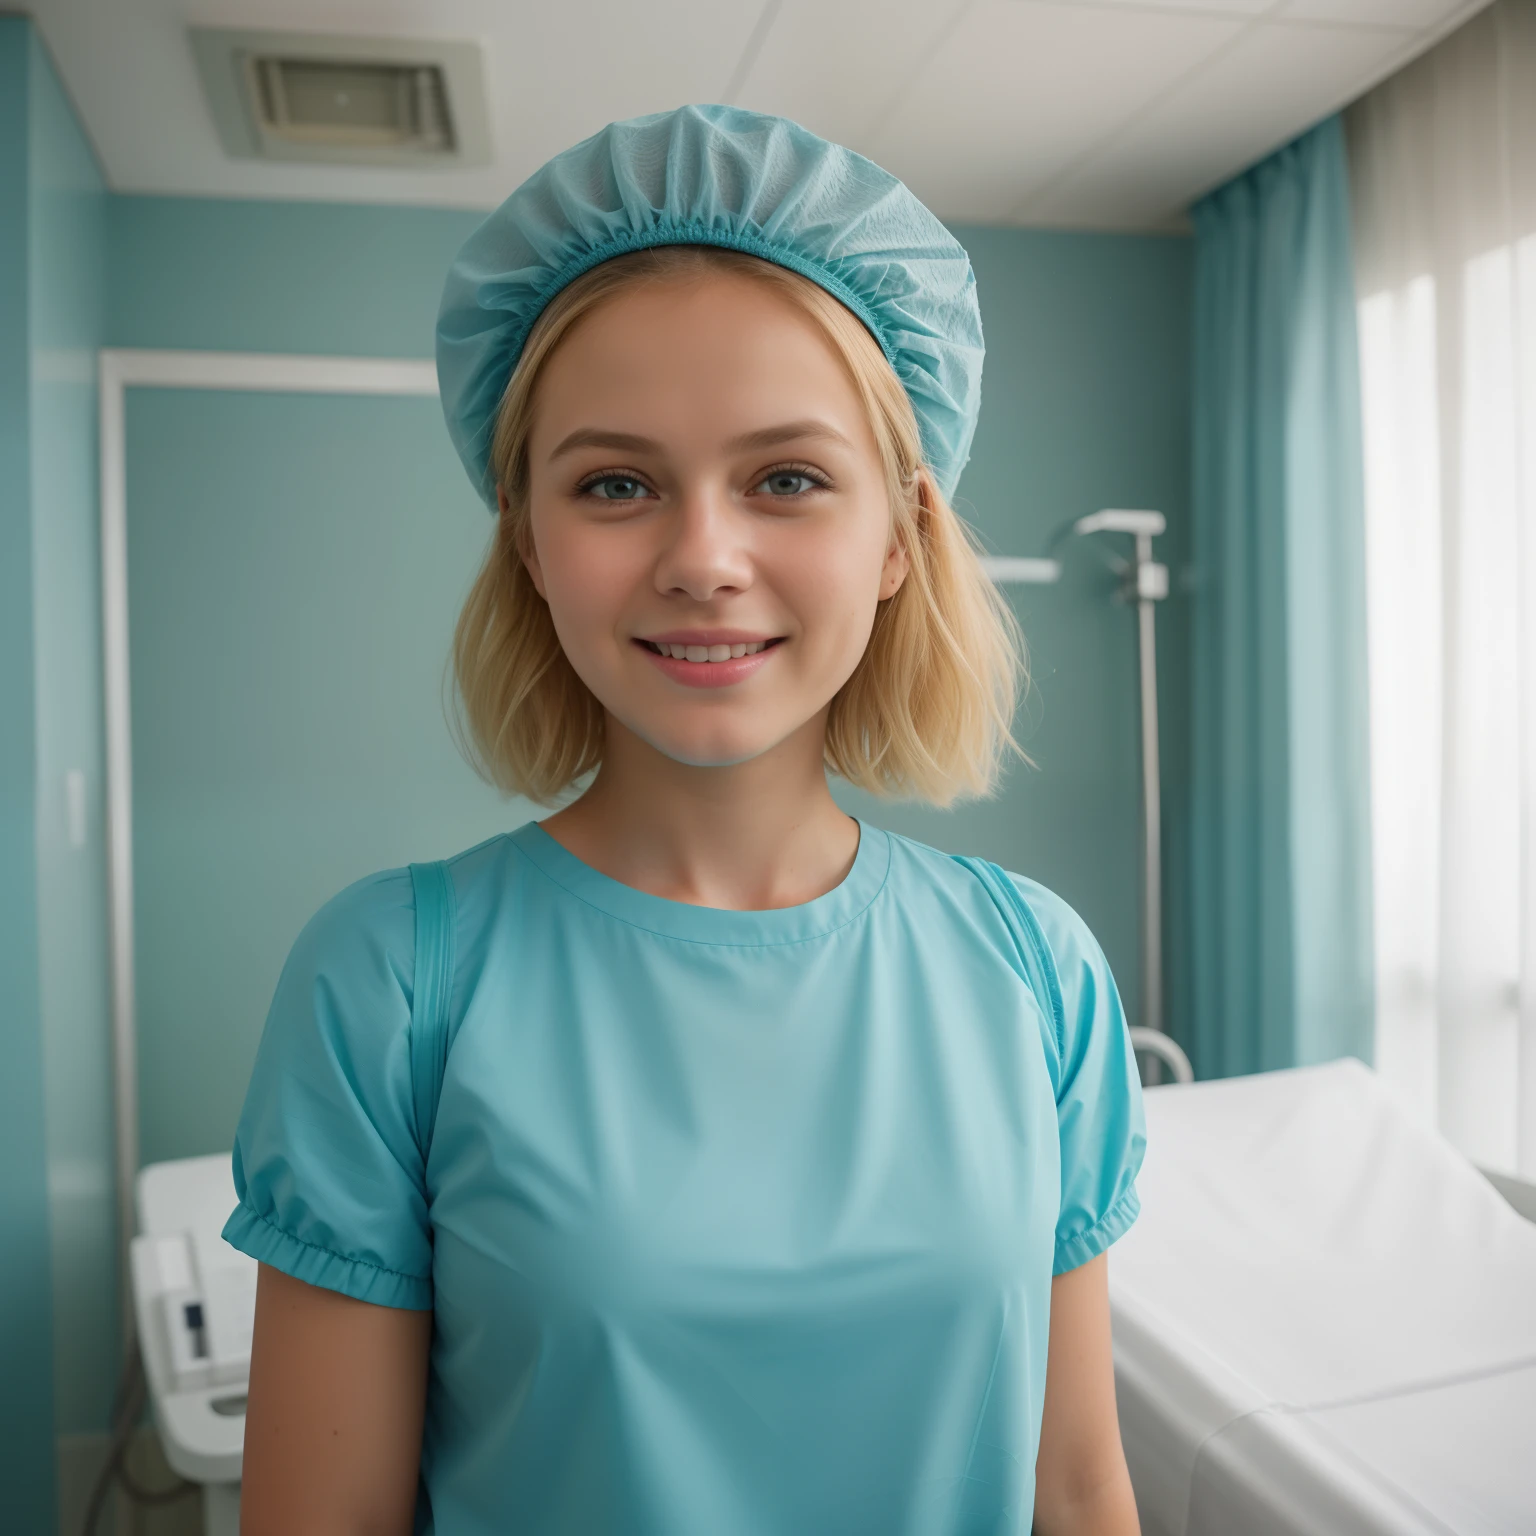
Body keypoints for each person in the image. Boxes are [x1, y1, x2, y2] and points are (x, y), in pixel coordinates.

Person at [225, 104, 1146, 1536]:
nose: (703, 558)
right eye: (616, 485)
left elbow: (1077, 1488)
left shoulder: (1039, 974)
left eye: (786, 478)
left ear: (902, 534)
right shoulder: (393, 981)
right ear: (528, 538)